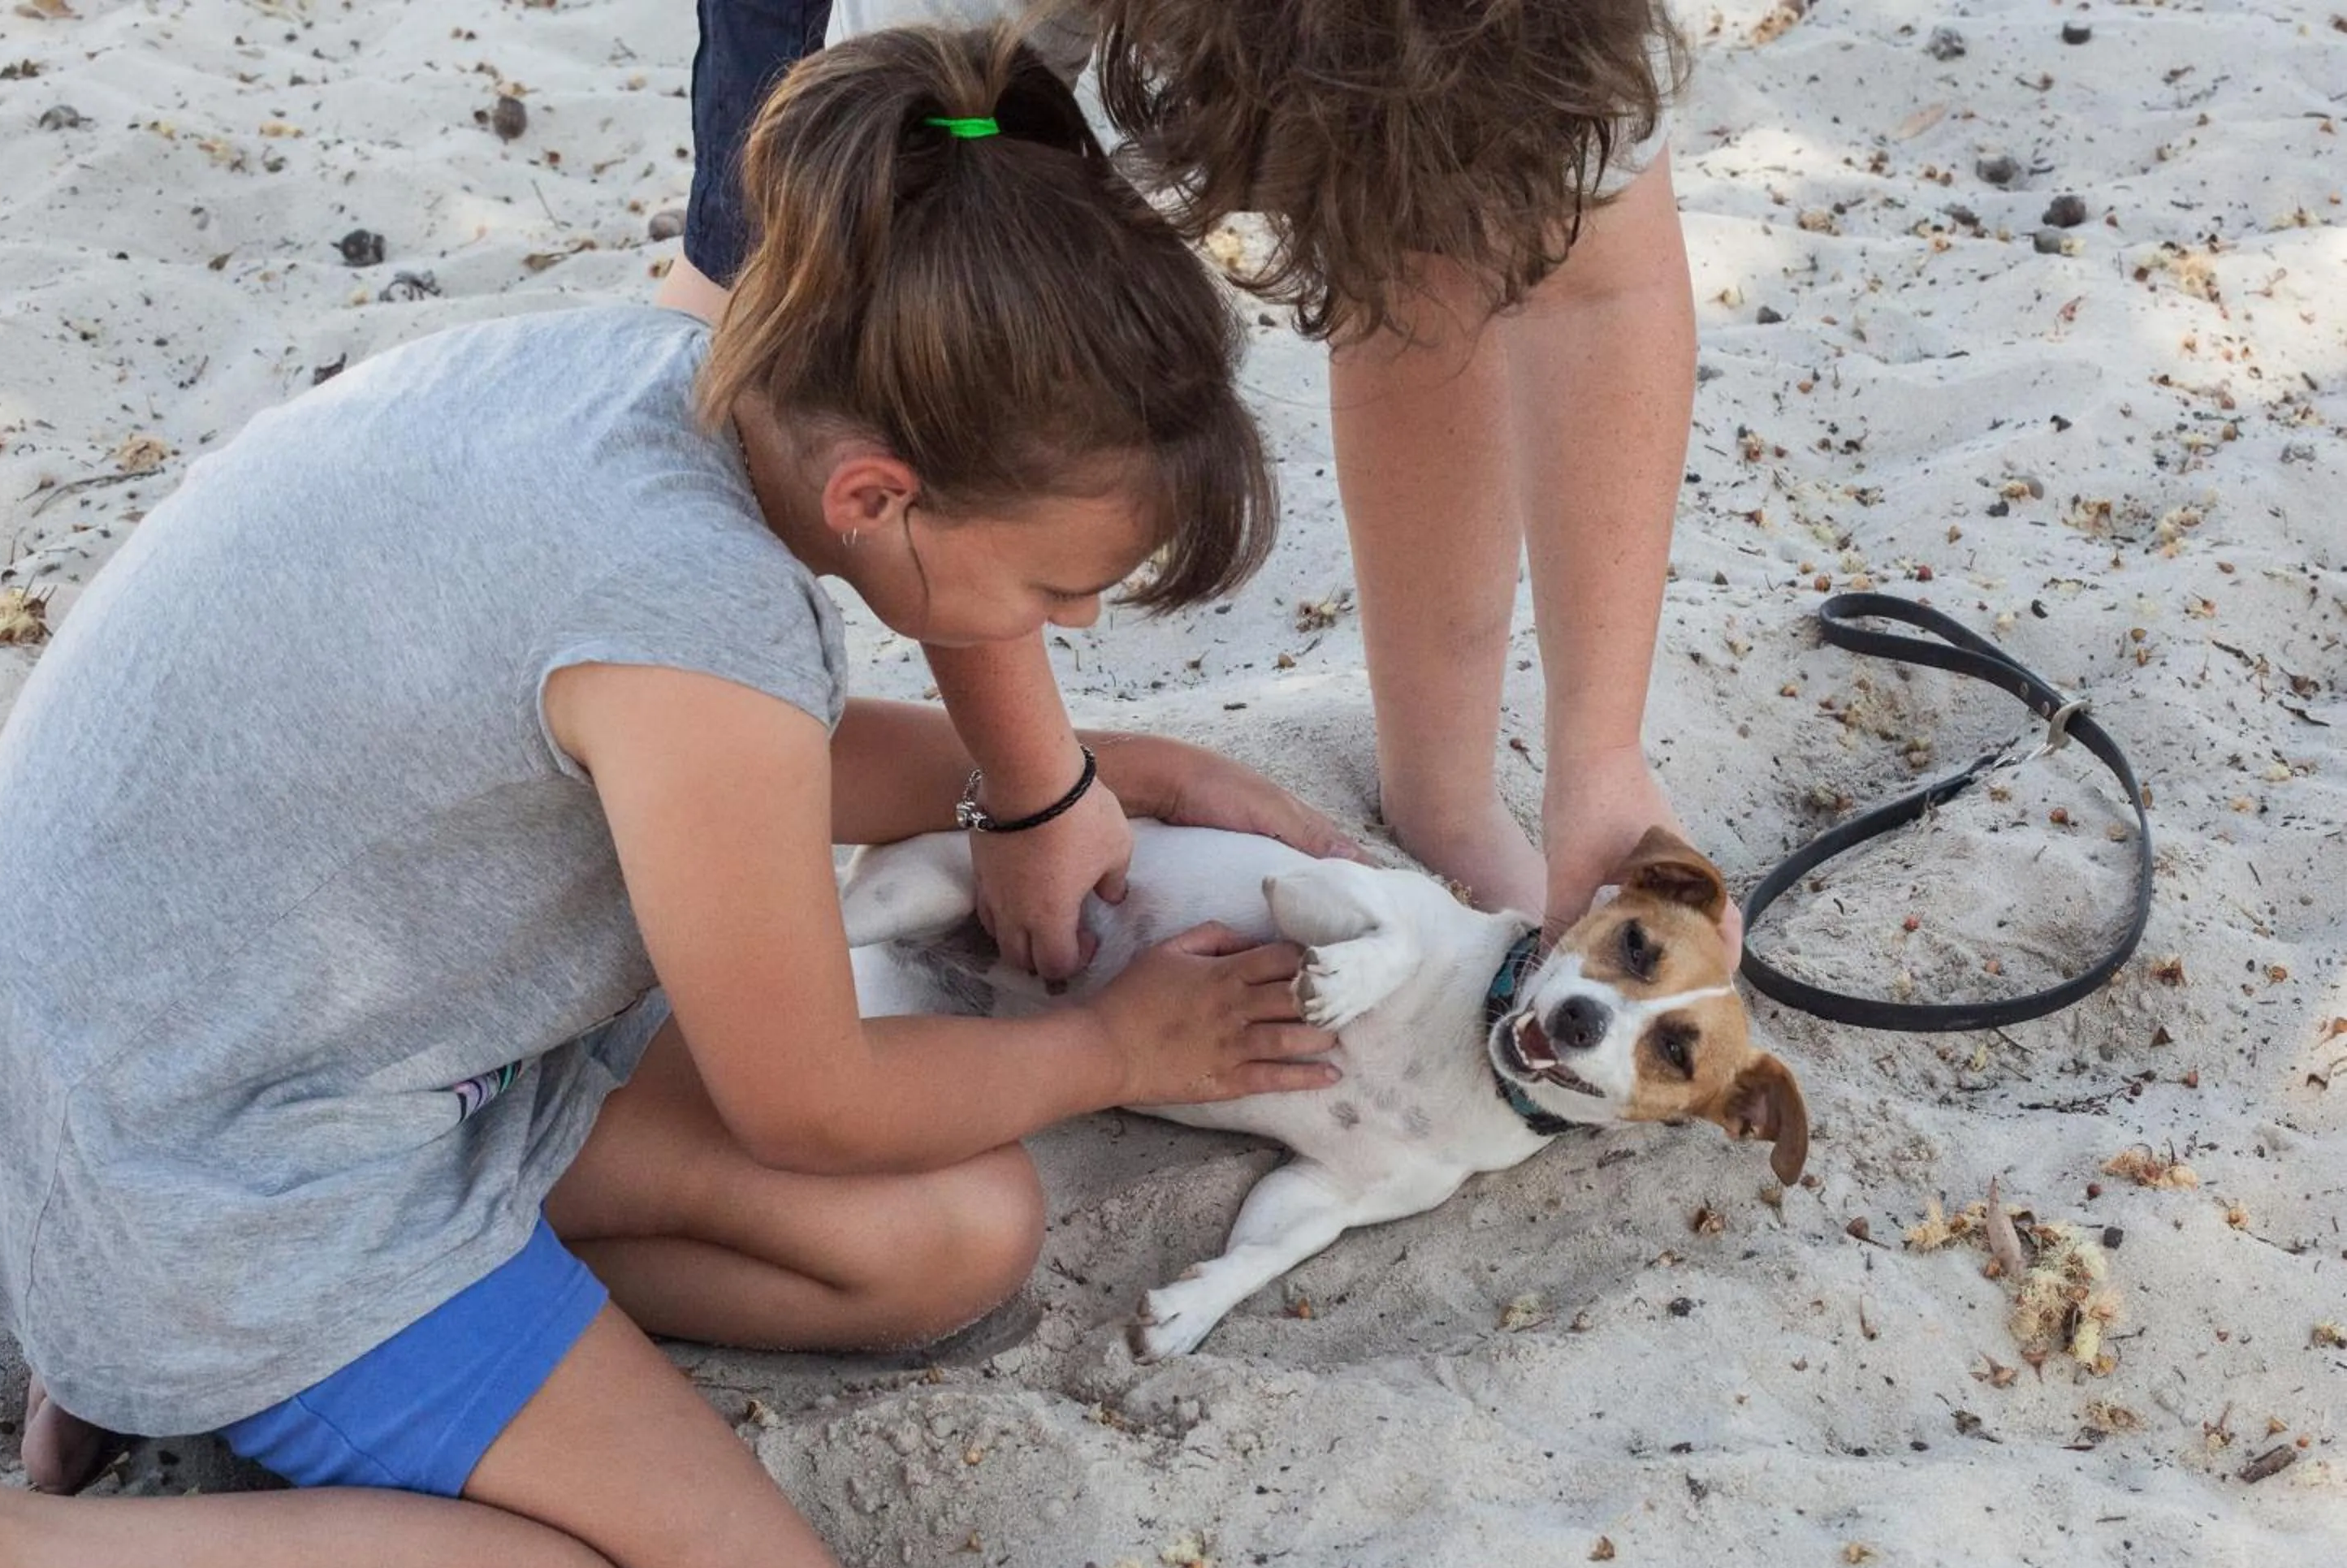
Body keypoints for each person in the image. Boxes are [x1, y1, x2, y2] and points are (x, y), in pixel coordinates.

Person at [0, 29, 1351, 1568]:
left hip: (169, 1071)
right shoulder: (694, 616)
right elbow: (810, 1096)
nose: (1069, 624)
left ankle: (210, 1379)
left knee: (954, 1232)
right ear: (876, 497)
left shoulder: (651, 389)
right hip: (210, 1179)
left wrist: (1096, 771)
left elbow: (719, 771)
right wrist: (1124, 1053)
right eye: (1050, 585)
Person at [663, 0, 1741, 977]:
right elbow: (920, 349)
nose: (1085, 617)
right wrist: (1033, 785)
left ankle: (1443, 793)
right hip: (890, 94)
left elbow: (1604, 294)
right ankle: (648, 784)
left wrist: (1598, 760)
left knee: (1443, 223)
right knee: (744, 348)